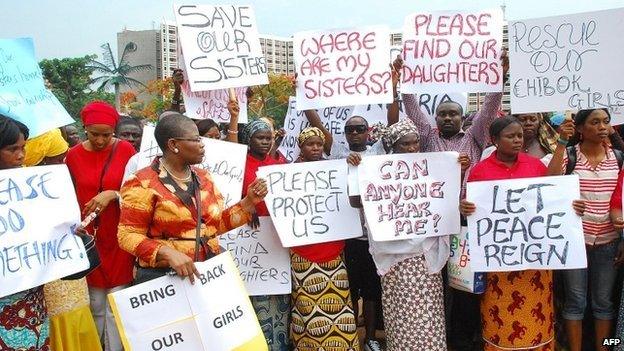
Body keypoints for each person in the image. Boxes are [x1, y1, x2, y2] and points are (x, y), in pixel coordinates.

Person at [461, 116, 585, 351]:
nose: (517, 140)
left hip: (534, 263)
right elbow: (473, 211)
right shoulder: (480, 172)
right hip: (498, 265)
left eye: (519, 136)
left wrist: (572, 206)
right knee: (500, 314)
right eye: (510, 136)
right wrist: (465, 208)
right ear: (495, 140)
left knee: (536, 313)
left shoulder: (535, 165)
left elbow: (553, 198)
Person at [348, 119, 468, 351]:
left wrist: (458, 171)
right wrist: (355, 170)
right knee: (401, 312)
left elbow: (445, 196)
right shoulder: (377, 170)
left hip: (425, 258)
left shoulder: (429, 168)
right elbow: (355, 202)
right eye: (405, 144)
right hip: (394, 260)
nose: (412, 148)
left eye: (415, 143)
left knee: (429, 314)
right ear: (393, 146)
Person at [117, 113, 267, 286]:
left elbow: (211, 228)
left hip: (206, 275)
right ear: (173, 144)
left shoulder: (204, 178)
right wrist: (166, 253)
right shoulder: (142, 183)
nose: (202, 145)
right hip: (163, 280)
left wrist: (248, 202)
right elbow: (127, 235)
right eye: (196, 140)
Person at [65, 101, 136, 351]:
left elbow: (137, 191)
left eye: (107, 134)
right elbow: (67, 194)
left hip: (119, 236)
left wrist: (113, 194)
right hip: (89, 238)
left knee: (116, 303)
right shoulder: (72, 156)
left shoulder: (126, 150)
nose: (100, 140)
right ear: (85, 129)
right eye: (94, 134)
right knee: (94, 302)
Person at [547, 109, 621, 351]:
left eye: (606, 122)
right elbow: (550, 183)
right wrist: (561, 143)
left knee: (604, 303)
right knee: (575, 302)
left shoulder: (619, 159)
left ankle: (606, 347)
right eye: (595, 122)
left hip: (609, 243)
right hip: (575, 243)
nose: (602, 127)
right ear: (580, 128)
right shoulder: (570, 156)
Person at [23, 129, 102, 351]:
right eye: (55, 159)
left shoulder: (60, 182)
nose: (62, 163)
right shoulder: (16, 192)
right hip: (45, 283)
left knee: (77, 322)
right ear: (38, 159)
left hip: (71, 279)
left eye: (62, 158)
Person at [290, 127, 359, 351]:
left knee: (339, 307)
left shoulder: (335, 169)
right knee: (308, 308)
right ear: (301, 147)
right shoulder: (288, 175)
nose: (316, 148)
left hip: (333, 252)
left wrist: (352, 168)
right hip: (303, 253)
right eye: (310, 144)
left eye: (319, 144)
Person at [0, 116, 50, 350]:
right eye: (12, 149)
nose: (21, 155)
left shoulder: (33, 187)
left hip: (32, 307)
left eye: (23, 148)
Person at [240, 120, 290, 350]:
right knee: (250, 292)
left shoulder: (280, 162)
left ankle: (277, 343)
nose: (265, 142)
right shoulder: (239, 163)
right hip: (248, 236)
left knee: (276, 291)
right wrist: (246, 209)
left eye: (268, 138)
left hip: (276, 238)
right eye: (260, 138)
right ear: (249, 139)